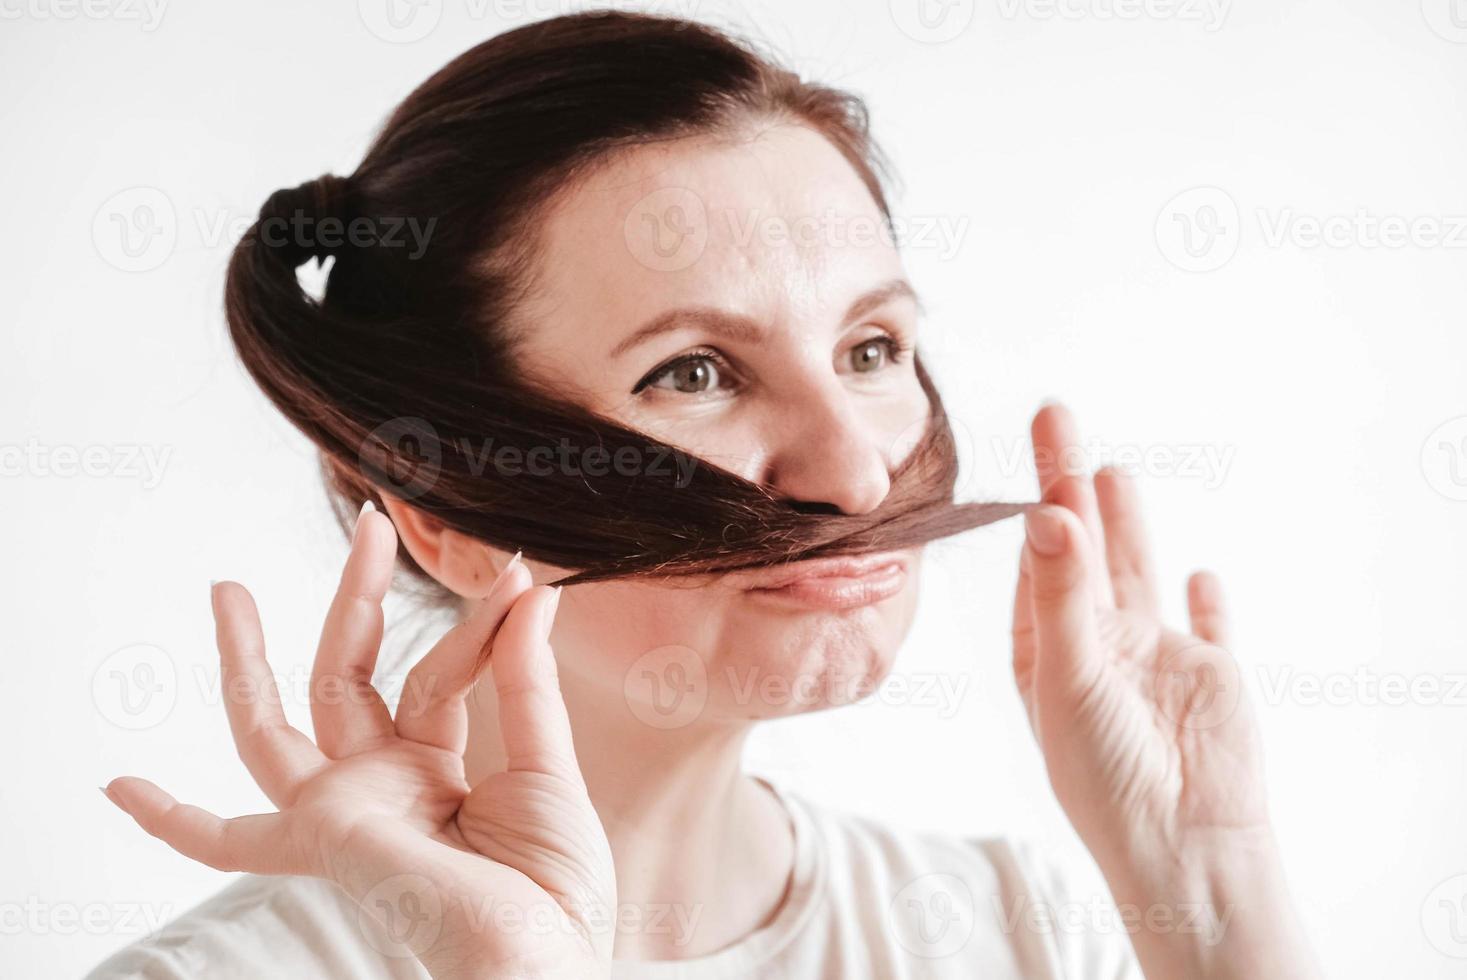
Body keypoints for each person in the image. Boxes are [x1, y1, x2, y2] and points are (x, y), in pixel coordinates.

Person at [89, 11, 1319, 979]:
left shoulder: (1023, 932)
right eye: (695, 371)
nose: (852, 471)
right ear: (444, 511)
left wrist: (1209, 891)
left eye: (871, 349)